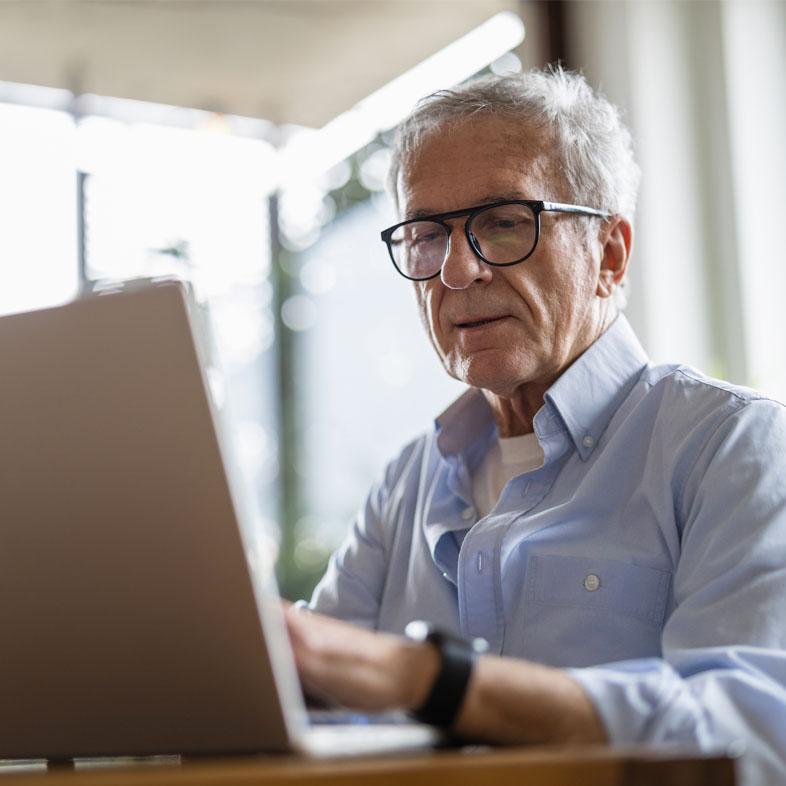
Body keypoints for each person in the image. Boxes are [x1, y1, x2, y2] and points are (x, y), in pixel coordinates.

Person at [285, 67, 786, 783]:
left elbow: (752, 735)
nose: (456, 271)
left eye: (503, 223)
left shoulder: (733, 446)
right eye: (427, 233)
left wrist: (431, 681)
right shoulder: (407, 481)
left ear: (609, 256)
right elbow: (312, 688)